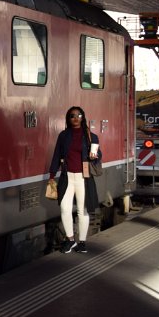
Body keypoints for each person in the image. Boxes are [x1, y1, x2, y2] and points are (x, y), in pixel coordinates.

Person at [48, 106, 101, 253]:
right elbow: (57, 154)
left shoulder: (91, 136)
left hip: (83, 178)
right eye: (72, 116)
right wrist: (52, 175)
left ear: (83, 117)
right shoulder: (63, 135)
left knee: (82, 210)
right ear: (68, 118)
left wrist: (94, 157)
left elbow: (98, 156)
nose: (75, 118)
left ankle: (82, 242)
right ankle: (70, 240)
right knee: (64, 208)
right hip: (67, 177)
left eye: (78, 115)